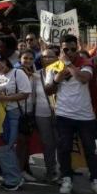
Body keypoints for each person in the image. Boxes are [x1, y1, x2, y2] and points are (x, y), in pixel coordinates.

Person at [45, 34, 97, 194]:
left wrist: (68, 65)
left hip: (85, 116)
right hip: (63, 114)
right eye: (66, 49)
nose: (70, 52)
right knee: (64, 148)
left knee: (90, 149)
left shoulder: (85, 63)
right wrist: (57, 79)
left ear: (78, 48)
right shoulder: (52, 68)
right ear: (61, 48)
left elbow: (83, 79)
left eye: (73, 49)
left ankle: (95, 180)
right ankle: (67, 178)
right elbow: (48, 91)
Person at [0, 54, 31, 191]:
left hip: (13, 114)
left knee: (6, 146)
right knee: (2, 146)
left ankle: (13, 179)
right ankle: (13, 177)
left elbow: (25, 93)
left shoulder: (18, 73)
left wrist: (5, 98)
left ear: (5, 61)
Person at [22, 49, 58, 183]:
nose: (47, 59)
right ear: (40, 59)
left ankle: (65, 172)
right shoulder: (35, 76)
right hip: (41, 114)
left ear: (57, 57)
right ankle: (51, 171)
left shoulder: (63, 72)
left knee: (61, 143)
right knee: (48, 144)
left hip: (61, 113)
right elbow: (31, 96)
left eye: (51, 56)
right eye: (44, 57)